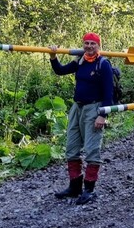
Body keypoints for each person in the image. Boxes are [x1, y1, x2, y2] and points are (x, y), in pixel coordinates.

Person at [49, 32, 114, 205]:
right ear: (83, 45)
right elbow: (60, 71)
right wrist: (53, 56)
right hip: (77, 108)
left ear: (98, 45)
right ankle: (74, 186)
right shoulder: (80, 61)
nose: (89, 46)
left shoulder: (103, 64)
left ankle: (89, 189)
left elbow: (109, 93)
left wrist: (102, 115)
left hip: (94, 108)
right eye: (86, 43)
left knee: (92, 149)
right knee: (71, 147)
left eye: (93, 44)